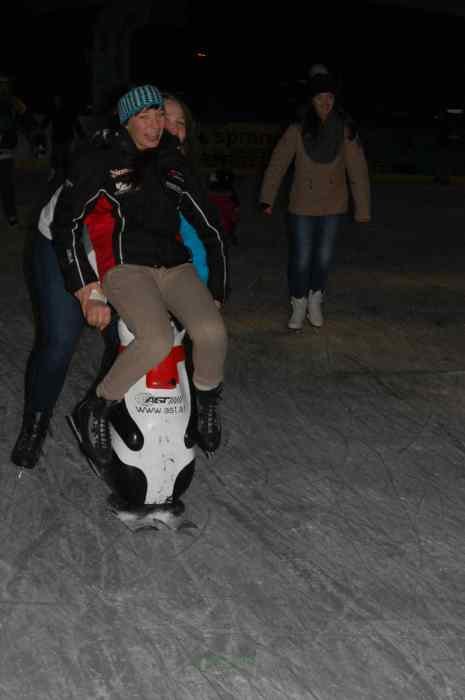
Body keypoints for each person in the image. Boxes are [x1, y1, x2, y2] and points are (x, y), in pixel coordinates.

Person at [52, 85, 228, 467]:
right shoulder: (102, 161)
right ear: (127, 122)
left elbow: (211, 227)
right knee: (156, 339)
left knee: (212, 332)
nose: (154, 125)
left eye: (158, 116)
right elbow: (66, 224)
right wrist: (85, 288)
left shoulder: (173, 163)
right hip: (126, 268)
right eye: (143, 118)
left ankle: (207, 402)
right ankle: (97, 406)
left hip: (174, 267)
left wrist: (217, 289)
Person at [10, 130, 120, 471]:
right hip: (63, 245)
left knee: (130, 339)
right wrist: (92, 293)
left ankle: (101, 411)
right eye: (154, 117)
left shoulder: (172, 169)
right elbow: (78, 229)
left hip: (119, 260)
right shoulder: (104, 160)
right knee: (59, 341)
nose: (162, 127)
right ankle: (35, 425)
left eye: (176, 122)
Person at [260, 71, 371, 330]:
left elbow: (358, 170)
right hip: (302, 205)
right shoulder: (298, 129)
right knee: (301, 258)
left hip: (334, 205)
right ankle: (299, 303)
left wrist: (363, 208)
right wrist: (267, 197)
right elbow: (278, 163)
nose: (325, 102)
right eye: (320, 97)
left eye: (329, 97)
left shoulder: (345, 130)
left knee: (323, 258)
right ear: (311, 100)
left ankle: (315, 300)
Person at [0, 75, 34, 226]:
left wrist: (34, 138)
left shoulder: (14, 102)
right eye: (1, 84)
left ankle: (11, 214)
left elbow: (27, 120)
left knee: (6, 185)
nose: (3, 87)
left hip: (5, 151)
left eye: (5, 84)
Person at [41, 94, 86, 183]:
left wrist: (81, 134)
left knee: (66, 158)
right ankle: (54, 174)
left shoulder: (68, 111)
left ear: (62, 101)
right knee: (55, 157)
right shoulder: (53, 110)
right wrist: (41, 127)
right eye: (55, 101)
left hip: (66, 138)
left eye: (58, 100)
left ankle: (66, 177)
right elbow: (46, 120)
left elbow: (76, 123)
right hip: (57, 138)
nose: (57, 102)